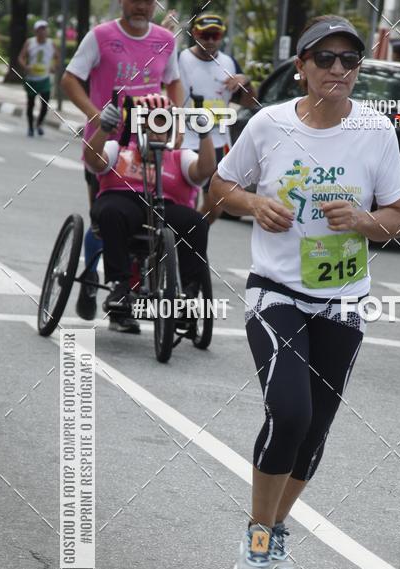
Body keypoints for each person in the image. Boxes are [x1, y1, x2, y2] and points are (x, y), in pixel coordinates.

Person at [210, 15, 400, 569]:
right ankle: (256, 537)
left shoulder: (376, 130)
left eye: (350, 60)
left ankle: (276, 528)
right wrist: (254, 204)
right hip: (275, 291)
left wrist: (364, 221)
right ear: (301, 67)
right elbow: (220, 187)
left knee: (315, 428)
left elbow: (398, 217)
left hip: (342, 300)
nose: (338, 69)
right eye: (325, 58)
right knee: (290, 412)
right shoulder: (269, 124)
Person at [61, 0, 183, 321]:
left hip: (147, 144)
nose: (141, 7)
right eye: (134, 0)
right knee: (105, 216)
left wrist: (177, 120)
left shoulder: (165, 40)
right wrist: (97, 116)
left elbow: (174, 81)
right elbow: (70, 79)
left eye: (147, 2)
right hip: (105, 143)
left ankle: (129, 293)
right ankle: (92, 278)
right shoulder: (100, 36)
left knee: (146, 220)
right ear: (121, 2)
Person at [83, 94, 215, 332]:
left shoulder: (179, 156)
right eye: (149, 124)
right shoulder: (119, 149)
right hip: (122, 201)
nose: (156, 132)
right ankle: (119, 286)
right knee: (112, 211)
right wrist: (103, 129)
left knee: (196, 222)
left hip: (164, 206)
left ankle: (189, 293)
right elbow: (93, 161)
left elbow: (205, 170)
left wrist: (205, 135)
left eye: (162, 125)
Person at [178, 13, 258, 224]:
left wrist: (246, 82)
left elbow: (251, 102)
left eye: (216, 36)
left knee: (216, 204)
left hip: (217, 141)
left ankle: (195, 233)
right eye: (205, 35)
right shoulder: (180, 59)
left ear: (222, 36)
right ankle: (182, 234)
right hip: (185, 140)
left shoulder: (229, 63)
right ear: (195, 34)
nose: (210, 41)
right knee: (184, 200)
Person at [18, 20, 60, 137]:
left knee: (45, 105)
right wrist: (26, 67)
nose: (42, 32)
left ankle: (39, 124)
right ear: (35, 31)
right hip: (32, 79)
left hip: (45, 78)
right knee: (31, 104)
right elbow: (21, 57)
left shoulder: (51, 44)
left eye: (44, 29)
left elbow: (57, 57)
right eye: (40, 29)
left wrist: (54, 67)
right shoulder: (29, 42)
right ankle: (30, 127)